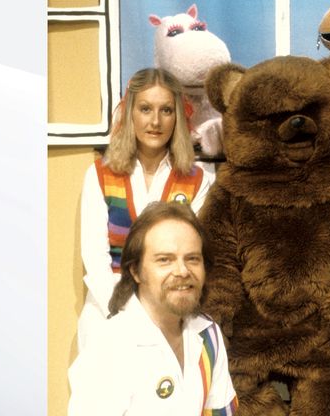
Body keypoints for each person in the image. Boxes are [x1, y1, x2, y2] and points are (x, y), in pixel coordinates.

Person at [78, 68, 215, 350]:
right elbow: (94, 257)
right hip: (110, 310)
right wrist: (128, 312)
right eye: (145, 109)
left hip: (173, 310)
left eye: (166, 110)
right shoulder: (100, 175)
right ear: (129, 114)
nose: (155, 121)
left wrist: (162, 311)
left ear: (178, 117)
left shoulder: (199, 180)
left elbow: (194, 258)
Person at [68, 201, 238, 415]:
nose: (182, 270)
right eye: (165, 260)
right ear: (136, 272)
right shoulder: (109, 345)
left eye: (193, 258)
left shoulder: (208, 334)